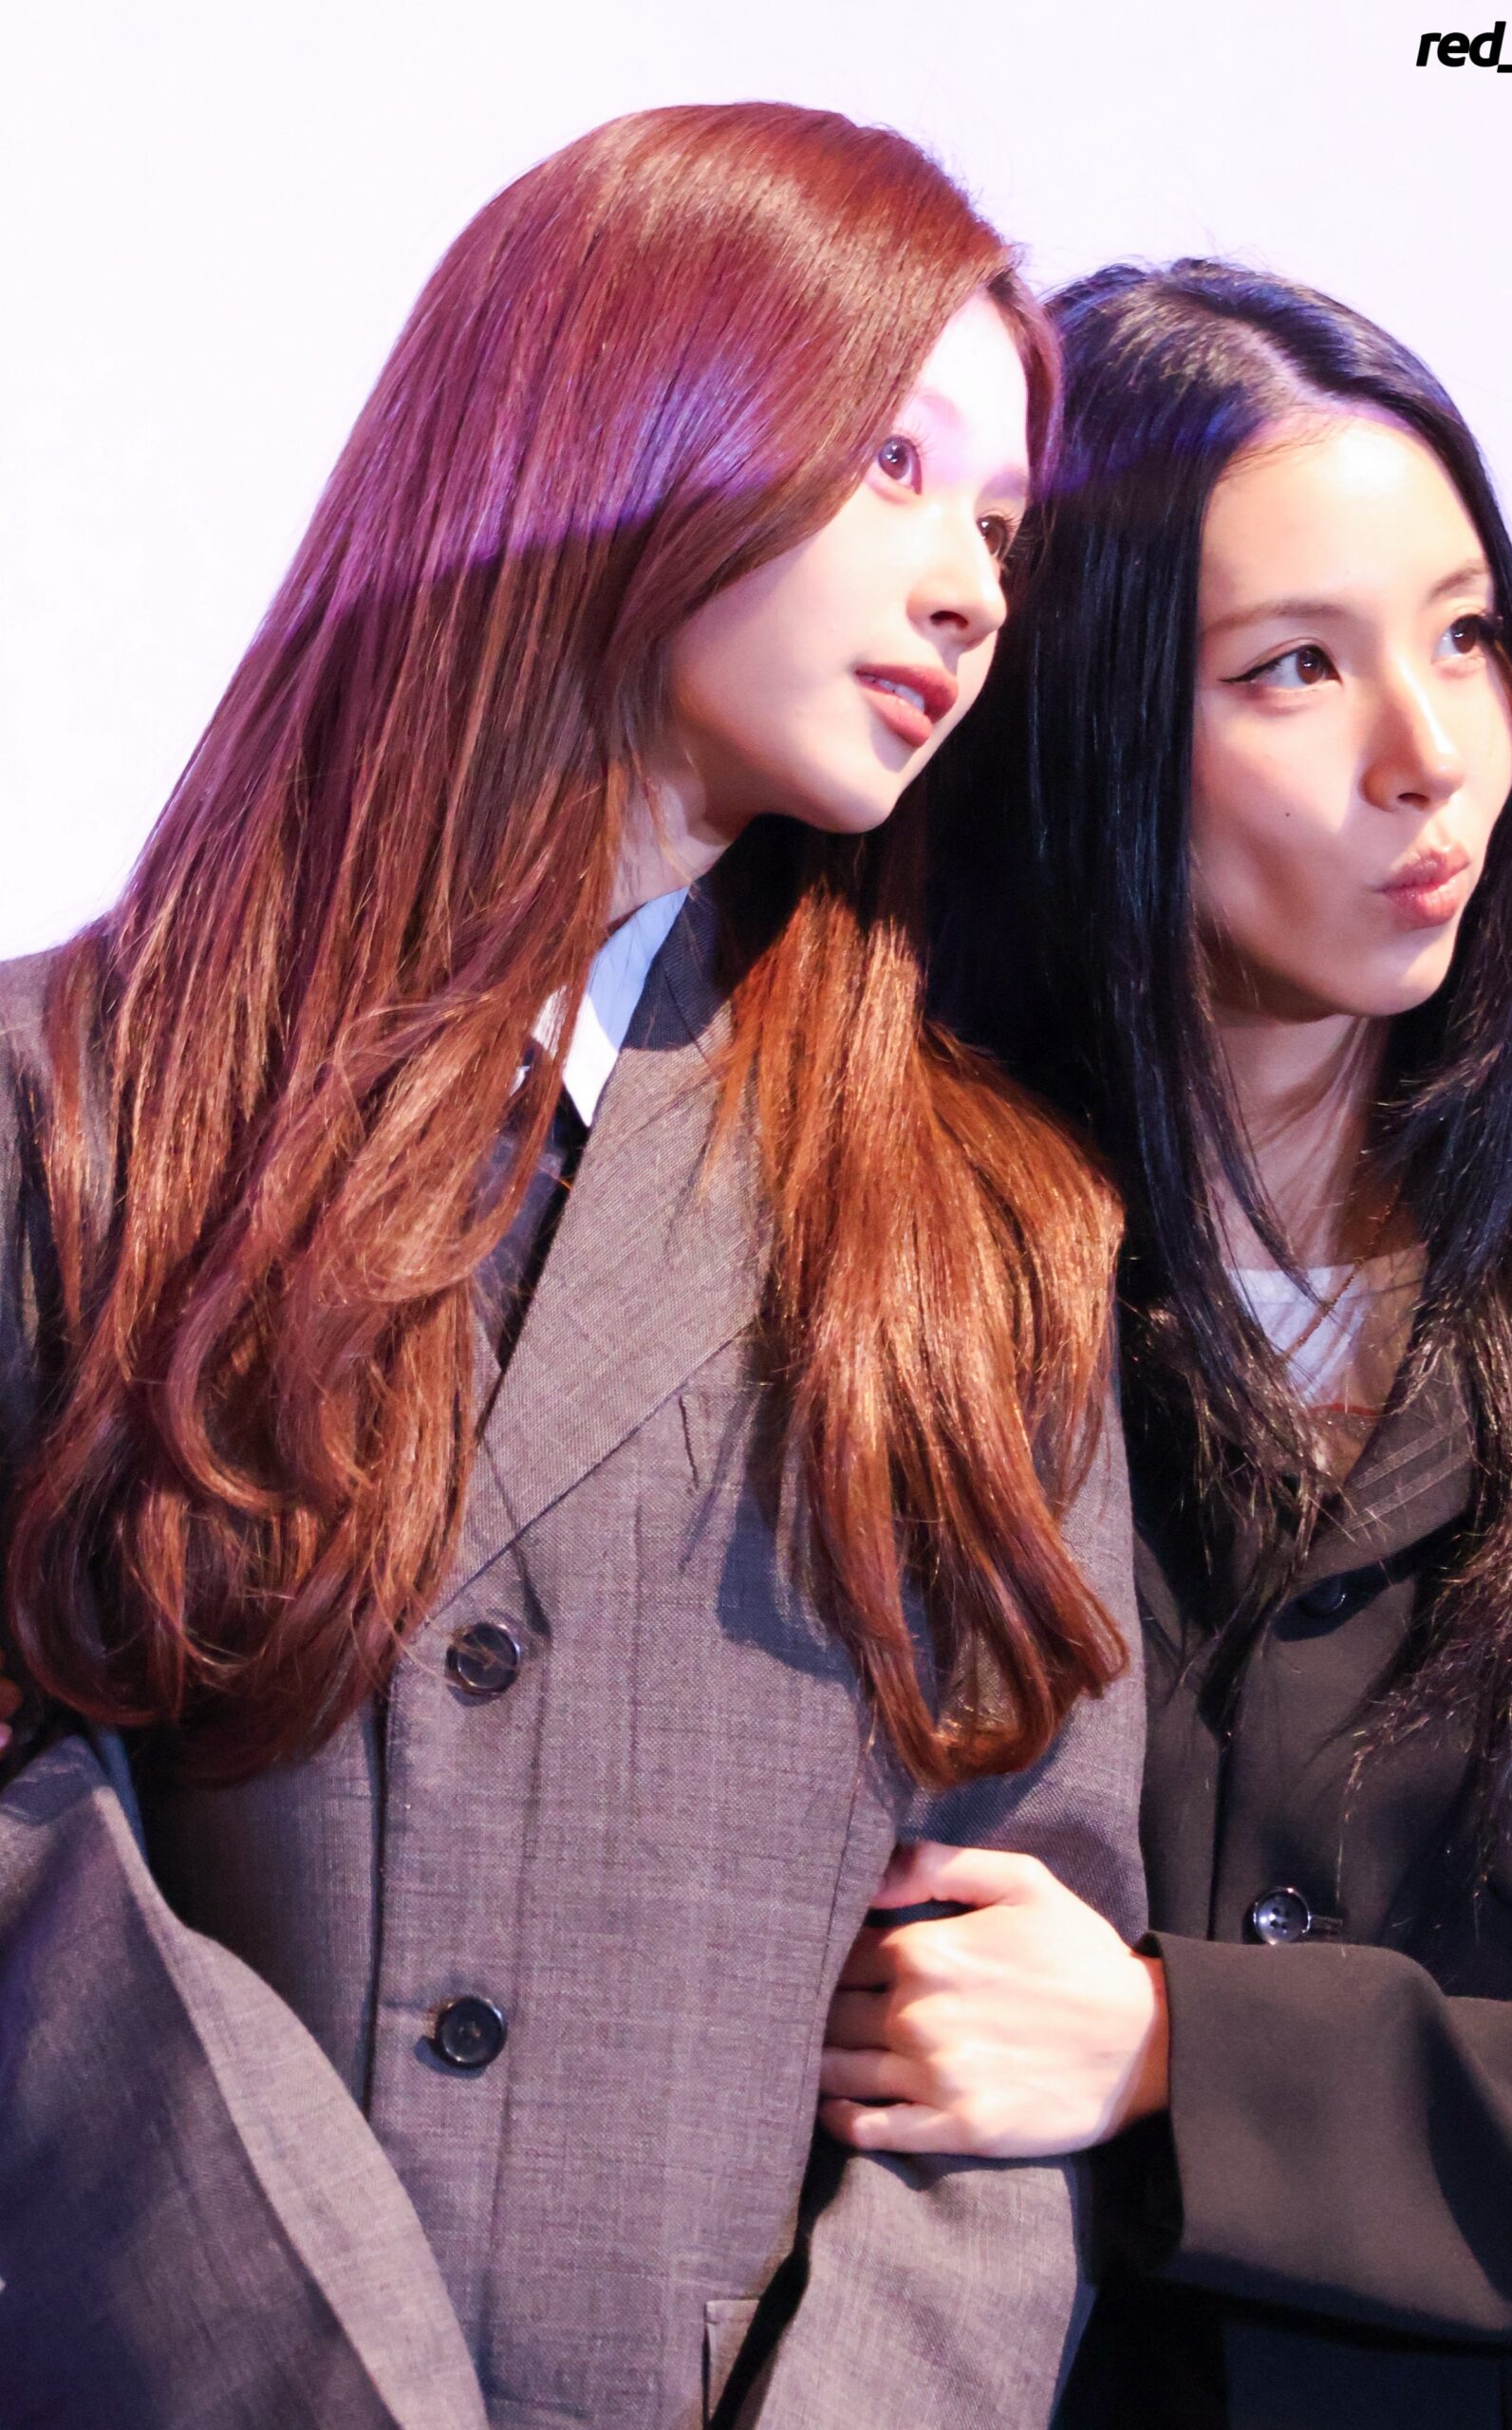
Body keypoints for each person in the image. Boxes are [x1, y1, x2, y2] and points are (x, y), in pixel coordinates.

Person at [0, 110, 1148, 2428]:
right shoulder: (71, 1104)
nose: (966, 590)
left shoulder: (981, 1233)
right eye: (893, 464)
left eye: (1001, 530)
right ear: (616, 419)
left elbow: (998, 1993)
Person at [818, 259, 1512, 2430]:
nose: (1428, 753)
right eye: (1295, 667)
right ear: (1081, 722)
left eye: (1465, 634)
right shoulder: (861, 1285)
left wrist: (1174, 2048)